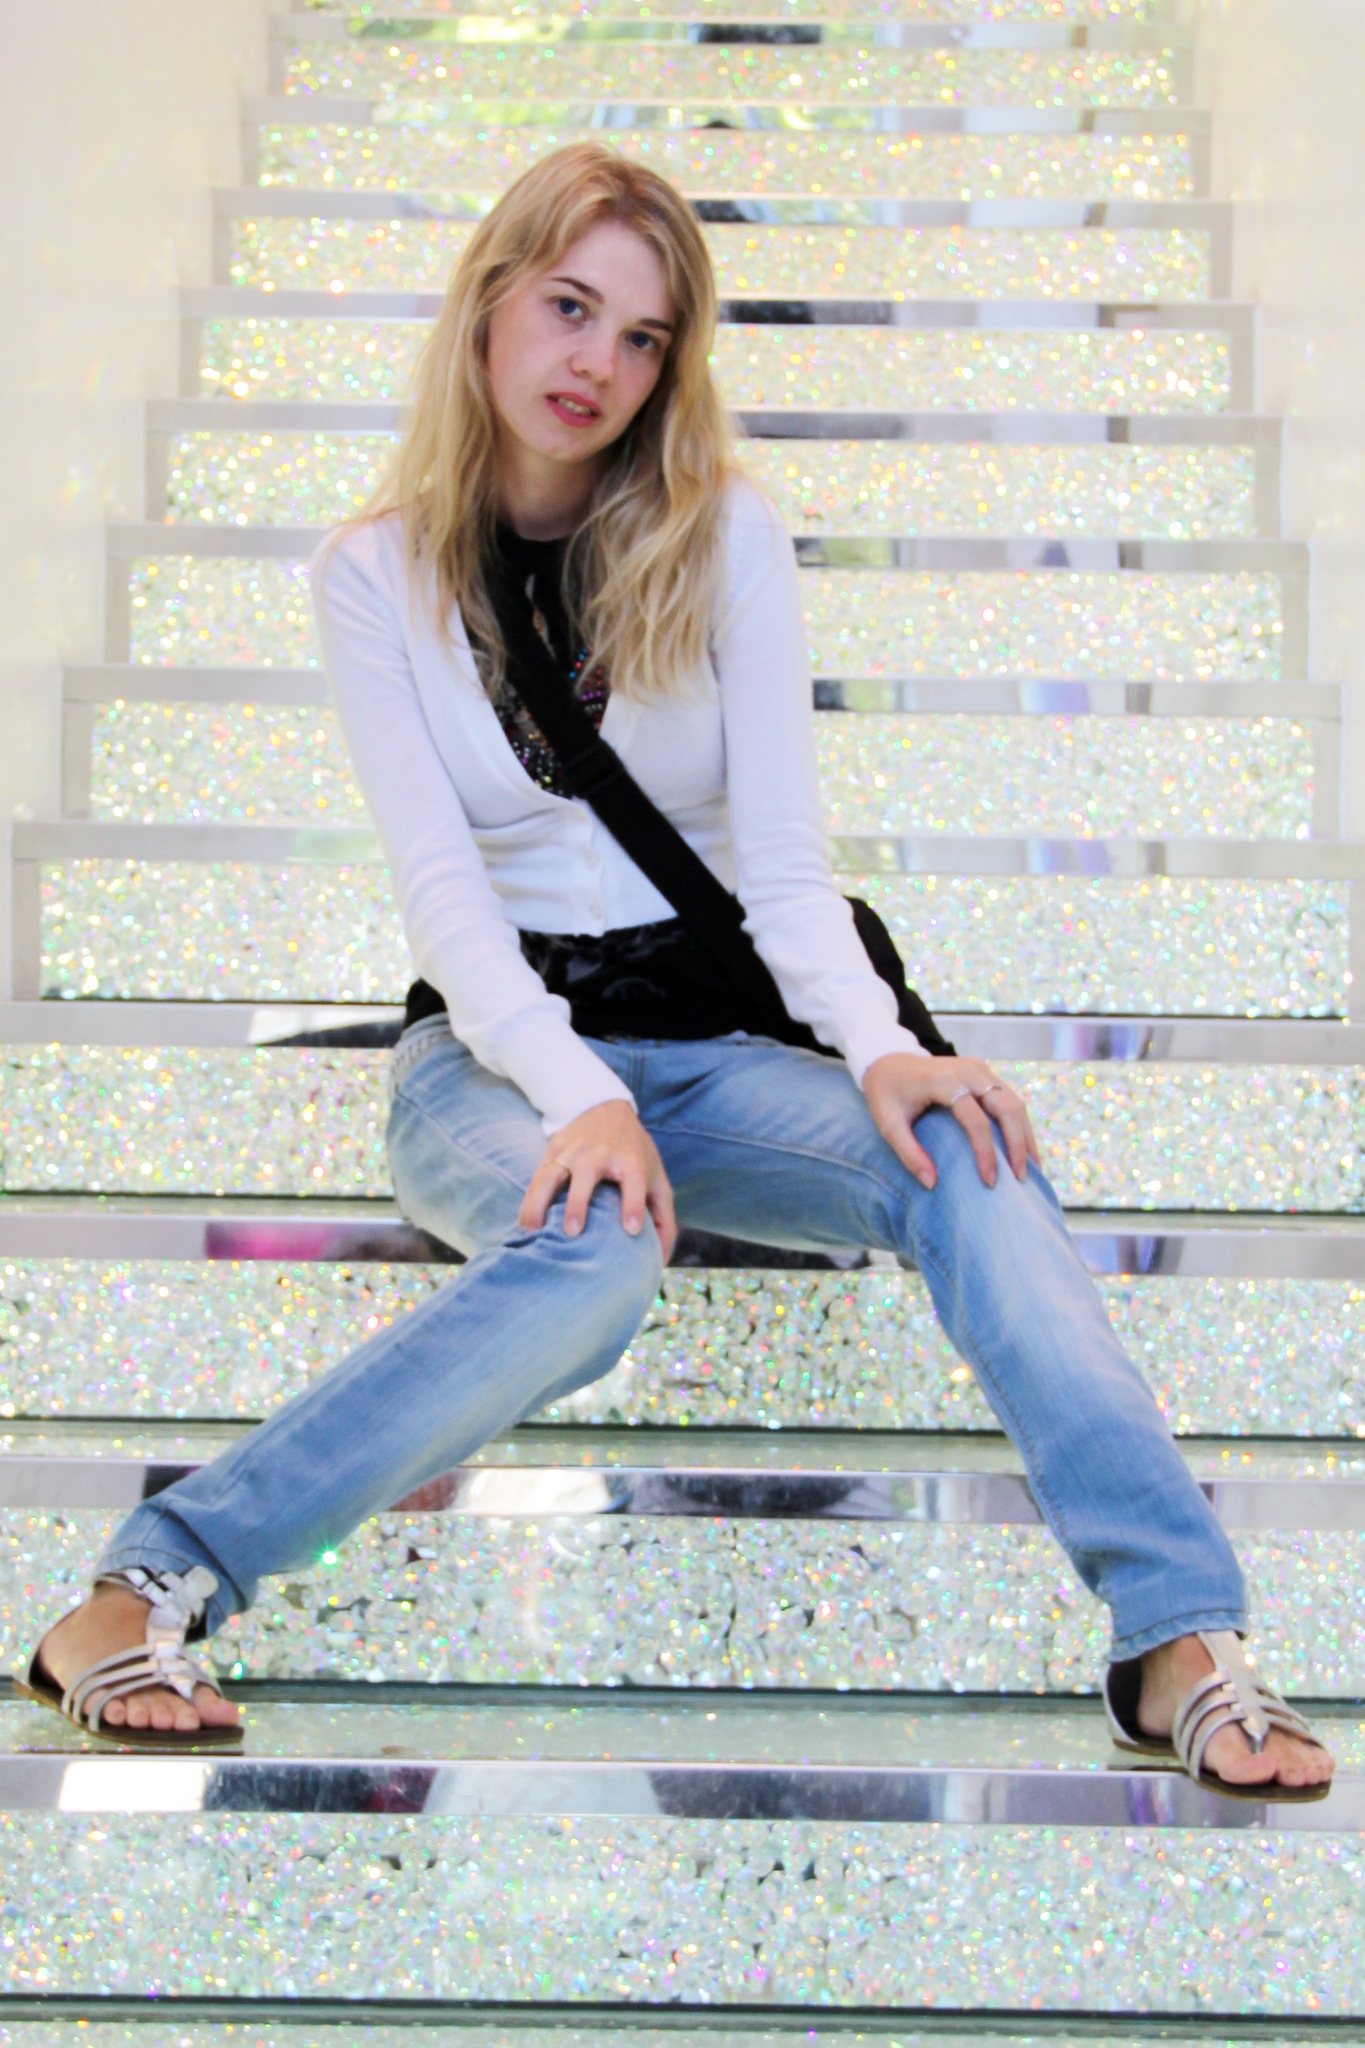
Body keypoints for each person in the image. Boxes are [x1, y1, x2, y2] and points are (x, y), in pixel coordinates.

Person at [23, 144, 1333, 1796]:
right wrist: (576, 1096)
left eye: (642, 337)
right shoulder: (375, 576)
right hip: (492, 1058)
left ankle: (1174, 1634)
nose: (597, 363)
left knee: (970, 1153)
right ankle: (151, 1580)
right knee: (592, 1250)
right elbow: (444, 904)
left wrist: (882, 1051)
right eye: (570, 308)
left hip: (706, 1045)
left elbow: (781, 869)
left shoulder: (725, 540)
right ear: (490, 301)